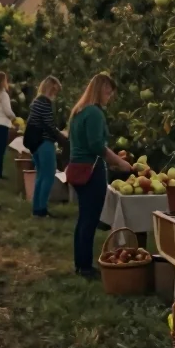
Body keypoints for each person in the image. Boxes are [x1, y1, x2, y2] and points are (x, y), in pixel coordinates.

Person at [67, 73, 131, 279]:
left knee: (84, 218)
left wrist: (112, 158)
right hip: (91, 171)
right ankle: (85, 267)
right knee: (90, 219)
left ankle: (80, 263)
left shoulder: (79, 111)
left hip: (77, 168)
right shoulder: (94, 112)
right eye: (107, 92)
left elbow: (86, 144)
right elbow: (96, 146)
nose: (109, 97)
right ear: (98, 91)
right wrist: (119, 162)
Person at [25, 76, 69, 217]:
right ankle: (42, 209)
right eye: (56, 91)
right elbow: (49, 125)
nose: (56, 95)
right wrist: (62, 138)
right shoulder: (44, 103)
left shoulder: (36, 102)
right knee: (48, 176)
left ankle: (37, 208)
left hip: (36, 144)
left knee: (41, 175)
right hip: (45, 143)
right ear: (51, 89)